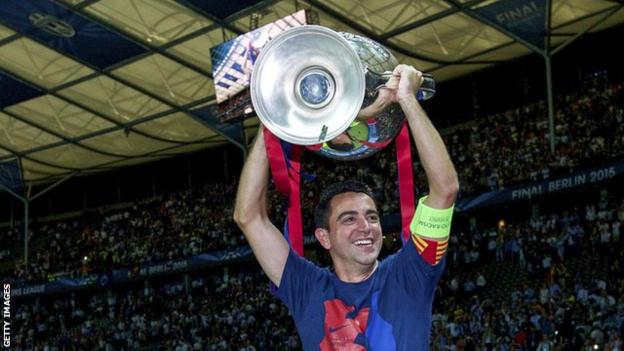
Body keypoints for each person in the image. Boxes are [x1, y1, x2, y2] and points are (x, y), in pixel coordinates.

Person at [234, 64, 459, 350]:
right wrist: (274, 117)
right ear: (323, 237)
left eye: (372, 216)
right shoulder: (306, 287)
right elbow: (248, 216)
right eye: (349, 219)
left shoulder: (411, 273)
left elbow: (445, 190)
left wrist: (408, 101)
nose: (366, 227)